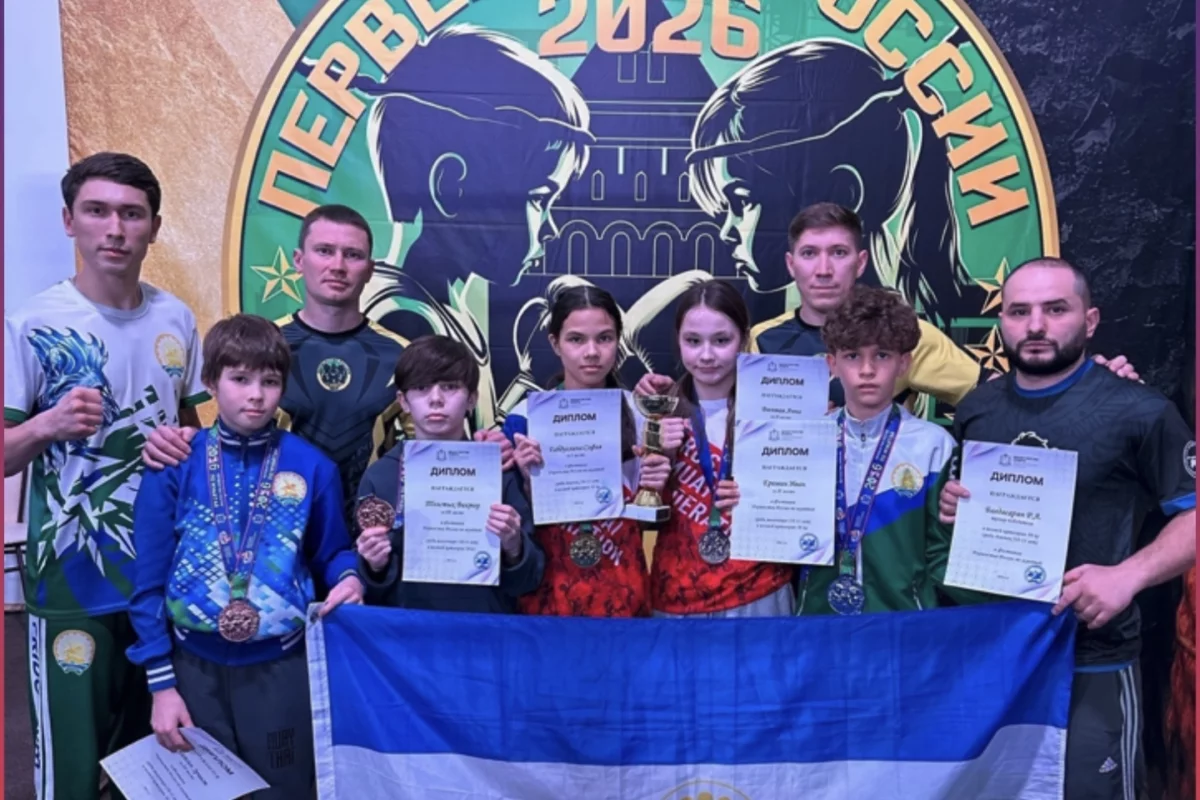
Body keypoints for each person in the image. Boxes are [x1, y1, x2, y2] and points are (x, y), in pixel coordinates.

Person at [935, 257, 1196, 800]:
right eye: (1019, 311)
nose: (1035, 325)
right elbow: (965, 510)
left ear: (1090, 320)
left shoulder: (1139, 410)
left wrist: (1128, 575)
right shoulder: (977, 409)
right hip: (996, 654)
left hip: (1092, 657)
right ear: (1001, 322)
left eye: (1056, 309)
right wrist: (953, 504)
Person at [3, 152, 207, 800]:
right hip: (72, 583)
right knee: (71, 773)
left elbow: (196, 437)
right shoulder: (32, 324)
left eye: (131, 214)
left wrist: (185, 442)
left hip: (161, 581)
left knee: (156, 770)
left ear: (154, 228)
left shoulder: (177, 318)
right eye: (97, 211)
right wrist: (46, 425)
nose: (115, 229)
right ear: (69, 221)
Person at [141, 204, 513, 525]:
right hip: (273, 539)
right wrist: (183, 441)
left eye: (352, 255)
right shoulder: (261, 351)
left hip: (371, 541)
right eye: (324, 251)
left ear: (370, 268)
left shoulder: (401, 355)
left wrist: (479, 448)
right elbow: (230, 437)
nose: (337, 265)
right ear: (298, 260)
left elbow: (432, 448)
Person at [126, 314, 363, 798]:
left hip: (282, 669)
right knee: (203, 791)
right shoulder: (174, 465)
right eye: (239, 379)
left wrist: (350, 576)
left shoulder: (312, 466)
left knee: (285, 790)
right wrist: (161, 684)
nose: (256, 395)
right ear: (211, 382)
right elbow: (147, 580)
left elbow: (331, 551)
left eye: (270, 381)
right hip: (193, 668)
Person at [638, 204, 1139, 408]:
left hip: (875, 516)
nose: (824, 269)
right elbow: (711, 411)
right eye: (810, 255)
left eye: (838, 254)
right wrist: (655, 397)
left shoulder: (907, 334)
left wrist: (1083, 382)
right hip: (779, 513)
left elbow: (997, 396)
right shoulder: (758, 340)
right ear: (791, 264)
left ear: (860, 262)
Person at [503, 286, 672, 617]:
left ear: (619, 341)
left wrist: (659, 480)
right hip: (550, 591)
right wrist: (526, 483)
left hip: (624, 587)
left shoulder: (643, 415)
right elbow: (515, 528)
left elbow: (656, 518)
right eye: (576, 339)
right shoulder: (523, 419)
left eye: (604, 338)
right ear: (555, 343)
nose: (592, 352)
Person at [794, 285, 957, 615]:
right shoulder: (804, 442)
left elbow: (944, 551)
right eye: (852, 356)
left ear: (903, 363)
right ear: (832, 364)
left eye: (882, 355)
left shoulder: (934, 446)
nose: (867, 370)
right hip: (817, 620)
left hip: (902, 623)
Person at [355, 335, 544, 612]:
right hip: (408, 629)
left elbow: (529, 580)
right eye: (421, 387)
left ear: (472, 399)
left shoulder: (499, 469)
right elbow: (371, 590)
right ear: (403, 401)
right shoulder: (380, 476)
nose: (436, 399)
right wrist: (374, 566)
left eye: (450, 387)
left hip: (484, 625)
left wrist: (514, 547)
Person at [651, 281, 794, 618]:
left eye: (721, 340)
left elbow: (801, 497)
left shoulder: (777, 410)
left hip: (759, 590)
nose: (706, 355)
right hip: (677, 595)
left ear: (743, 339)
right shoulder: (657, 412)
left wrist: (760, 493)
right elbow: (634, 516)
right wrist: (659, 465)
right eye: (693, 341)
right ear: (677, 340)